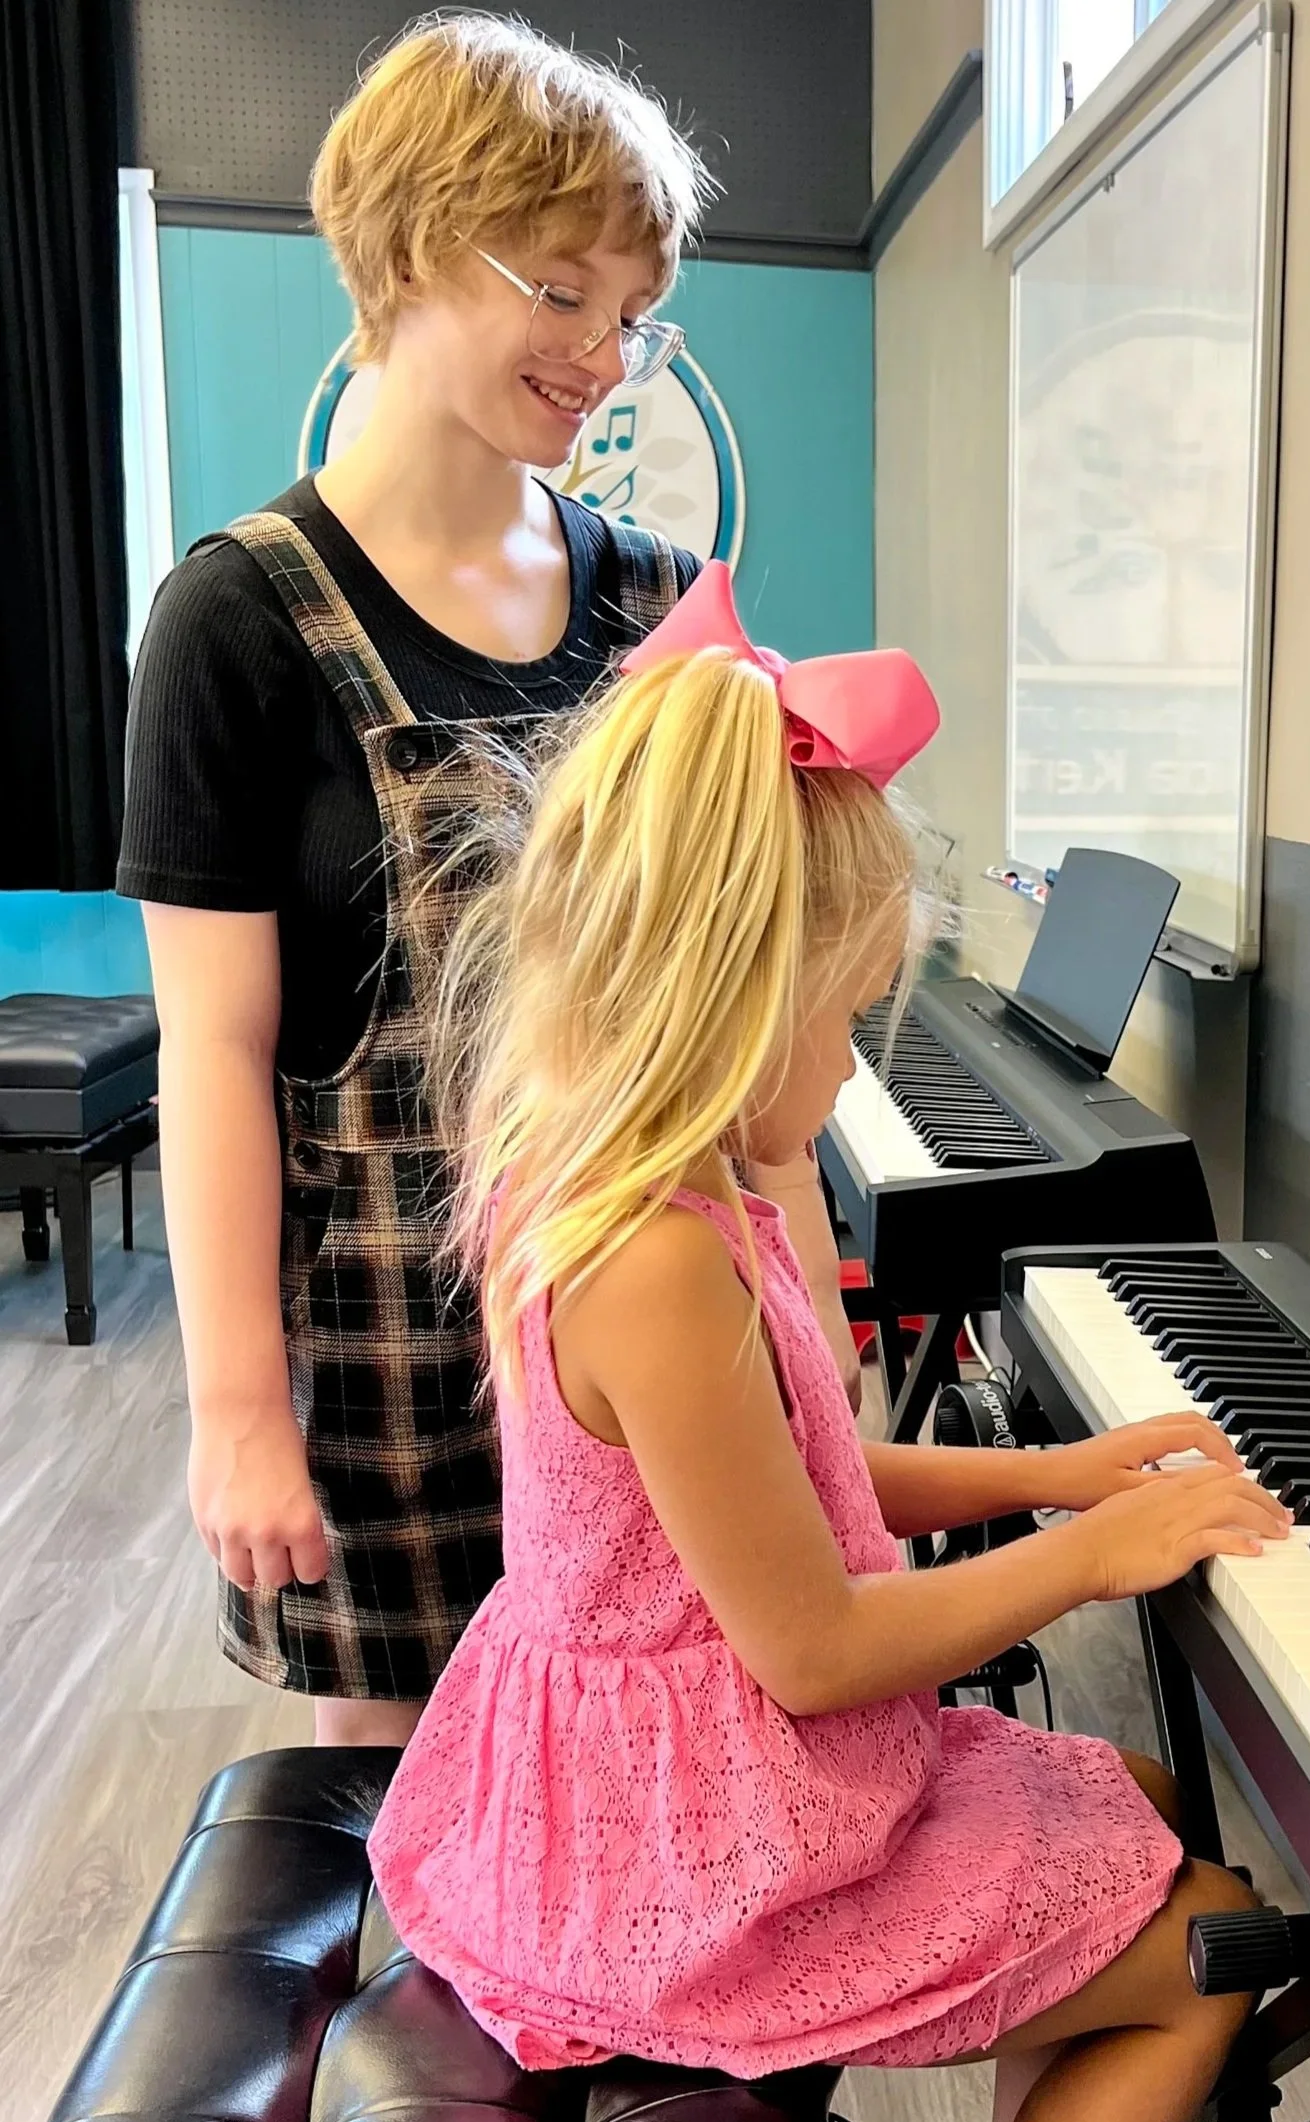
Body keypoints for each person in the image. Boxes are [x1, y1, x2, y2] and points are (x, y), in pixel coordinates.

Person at [367, 564, 1286, 2122]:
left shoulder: (657, 1182)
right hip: (685, 1847)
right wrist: (1097, 1550)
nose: (854, 1057)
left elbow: (802, 1481)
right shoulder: (658, 1254)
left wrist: (1060, 1464)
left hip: (674, 1768)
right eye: (845, 1014)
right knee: (1206, 1948)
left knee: (1116, 1783)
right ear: (721, 992)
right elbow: (815, 1641)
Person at [117, 13, 856, 1743]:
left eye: (632, 313)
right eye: (563, 291)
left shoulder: (662, 599)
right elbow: (214, 1052)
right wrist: (236, 1409)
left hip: (660, 1348)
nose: (606, 354)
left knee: (704, 1792)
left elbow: (750, 1034)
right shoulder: (233, 623)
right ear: (414, 245)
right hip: (399, 1356)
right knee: (428, 1852)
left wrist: (816, 1347)